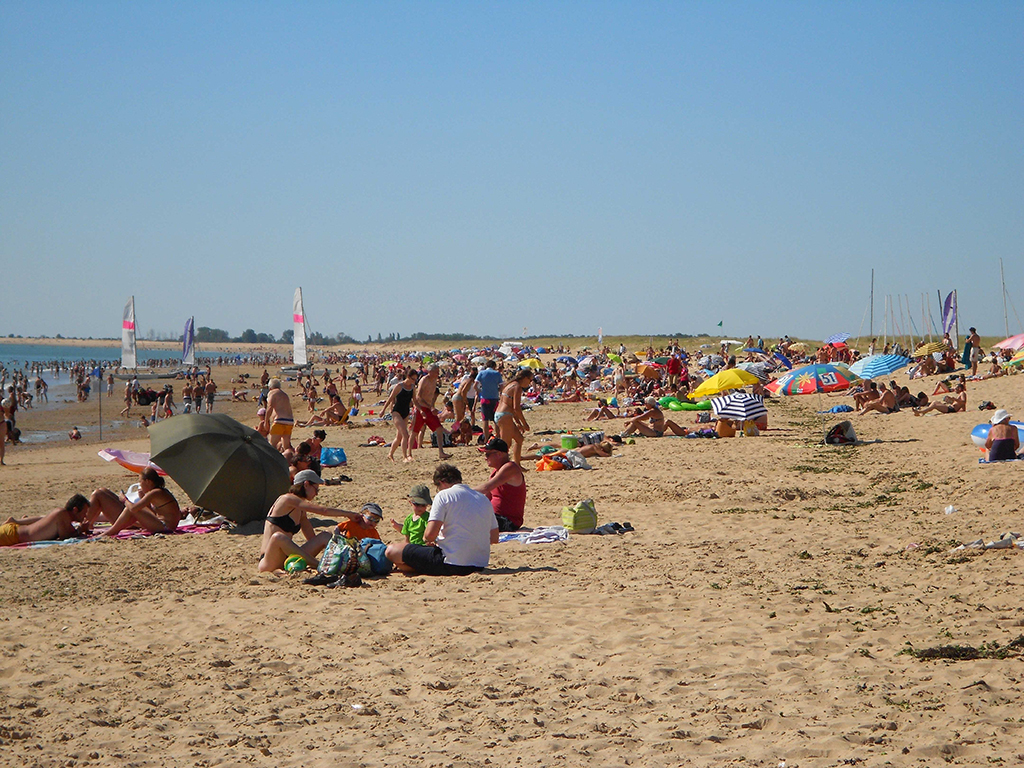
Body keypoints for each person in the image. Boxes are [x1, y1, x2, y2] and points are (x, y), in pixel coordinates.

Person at [385, 463, 498, 575]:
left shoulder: (444, 495)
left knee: (391, 551)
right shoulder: (483, 498)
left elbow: (429, 536)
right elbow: (494, 538)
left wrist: (435, 540)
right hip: (479, 564)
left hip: (451, 562)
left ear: (442, 482)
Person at [258, 470, 365, 572]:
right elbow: (323, 511)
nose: (316, 494)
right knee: (279, 537)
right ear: (306, 484)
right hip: (269, 560)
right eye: (316, 489)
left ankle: (347, 561)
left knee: (325, 536)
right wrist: (348, 514)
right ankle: (319, 565)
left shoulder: (301, 510)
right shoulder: (287, 499)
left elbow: (312, 538)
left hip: (288, 558)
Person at [86, 467, 182, 537]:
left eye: (140, 481)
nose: (140, 484)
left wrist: (124, 499)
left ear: (148, 482)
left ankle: (110, 531)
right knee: (102, 491)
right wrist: (143, 499)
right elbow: (155, 514)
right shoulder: (159, 492)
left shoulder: (154, 493)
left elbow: (133, 509)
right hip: (162, 524)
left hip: (165, 527)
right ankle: (89, 525)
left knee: (130, 507)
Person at [473, 437, 527, 531]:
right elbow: (487, 497)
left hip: (508, 521)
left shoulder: (510, 468)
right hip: (495, 517)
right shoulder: (496, 471)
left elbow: (486, 488)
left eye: (488, 454)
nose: (485, 458)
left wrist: (461, 490)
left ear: (499, 454)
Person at [1, 494, 91, 545]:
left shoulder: (62, 515)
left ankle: (16, 521)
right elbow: (66, 536)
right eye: (84, 512)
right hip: (11, 535)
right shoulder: (62, 514)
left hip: (12, 532)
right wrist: (81, 529)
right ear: (75, 510)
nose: (85, 516)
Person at [412, 364, 452, 460]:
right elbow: (418, 397)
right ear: (430, 372)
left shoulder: (434, 381)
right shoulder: (424, 380)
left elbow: (431, 397)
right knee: (415, 431)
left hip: (429, 408)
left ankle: (441, 452)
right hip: (421, 408)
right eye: (436, 371)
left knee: (439, 428)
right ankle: (408, 453)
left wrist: (432, 407)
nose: (438, 373)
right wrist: (430, 407)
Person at [494, 368, 534, 464]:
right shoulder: (517, 387)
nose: (530, 383)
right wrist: (524, 423)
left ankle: (517, 464)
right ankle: (501, 466)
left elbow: (512, 407)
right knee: (505, 445)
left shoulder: (510, 385)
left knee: (519, 439)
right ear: (525, 378)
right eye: (530, 380)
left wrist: (518, 422)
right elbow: (516, 408)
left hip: (500, 414)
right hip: (505, 416)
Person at [381, 367, 418, 462]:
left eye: (415, 379)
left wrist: (420, 410)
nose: (414, 381)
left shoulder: (412, 388)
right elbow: (390, 398)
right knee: (405, 435)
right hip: (396, 412)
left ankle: (390, 454)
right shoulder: (399, 386)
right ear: (408, 376)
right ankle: (405, 457)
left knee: (399, 437)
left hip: (406, 412)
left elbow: (415, 400)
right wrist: (383, 410)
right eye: (413, 379)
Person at [621, 397, 688, 437]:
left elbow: (641, 417)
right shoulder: (654, 410)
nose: (645, 405)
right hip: (655, 430)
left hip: (655, 433)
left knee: (635, 422)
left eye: (646, 403)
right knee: (636, 421)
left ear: (649, 404)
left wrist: (628, 421)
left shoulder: (652, 411)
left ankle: (625, 434)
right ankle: (626, 433)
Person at [475, 361, 503, 443]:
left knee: (485, 420)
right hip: (494, 398)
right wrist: (497, 390)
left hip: (484, 398)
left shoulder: (481, 373)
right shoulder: (497, 374)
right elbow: (501, 386)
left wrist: (480, 391)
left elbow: (475, 385)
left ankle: (486, 439)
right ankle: (497, 436)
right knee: (496, 419)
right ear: (494, 366)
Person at [266, 378, 295, 451]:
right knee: (286, 446)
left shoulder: (272, 393)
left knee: (272, 445)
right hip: (290, 421)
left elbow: (270, 407)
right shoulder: (284, 394)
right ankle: (289, 456)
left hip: (279, 421)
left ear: (270, 388)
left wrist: (266, 421)